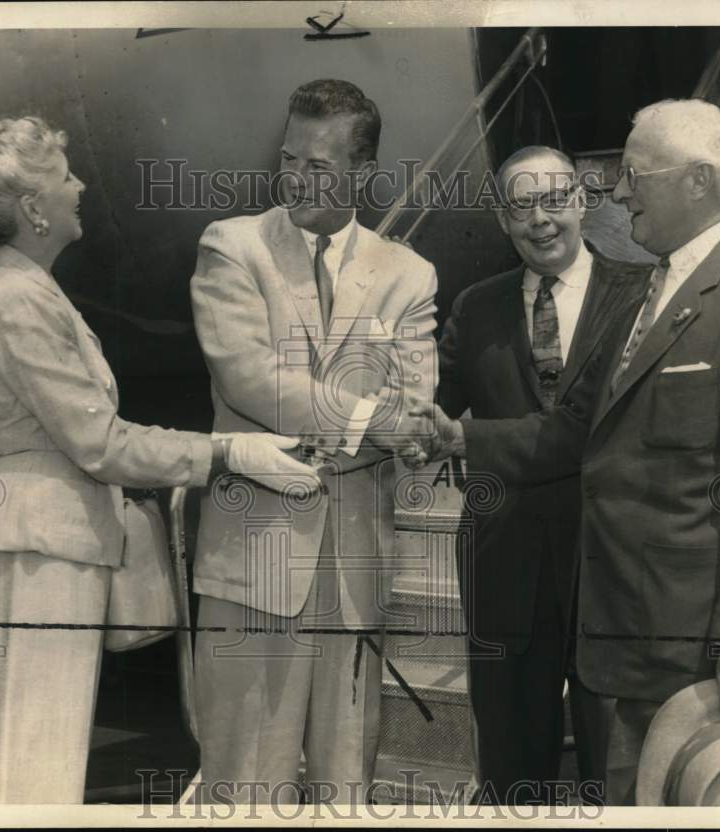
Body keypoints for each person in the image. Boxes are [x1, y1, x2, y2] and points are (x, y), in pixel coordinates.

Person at [413, 99, 720, 805]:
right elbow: (582, 428)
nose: (620, 191)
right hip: (624, 631)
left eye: (636, 174)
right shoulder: (656, 292)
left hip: (684, 635)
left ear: (698, 182)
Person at [0, 113, 321, 804]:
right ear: (32, 210)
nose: (80, 186)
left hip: (47, 547)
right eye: (64, 176)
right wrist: (229, 450)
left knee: (23, 755)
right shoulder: (20, 301)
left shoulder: (26, 288)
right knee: (30, 764)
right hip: (41, 553)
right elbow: (99, 443)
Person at [190, 79, 438, 804]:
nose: (294, 178)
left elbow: (414, 400)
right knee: (243, 787)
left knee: (346, 785)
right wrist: (372, 422)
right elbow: (249, 379)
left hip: (356, 570)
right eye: (288, 158)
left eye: (318, 167)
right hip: (254, 567)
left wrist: (391, 421)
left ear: (363, 172)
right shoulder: (232, 247)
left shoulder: (408, 273)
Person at [437, 145, 652, 804]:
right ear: (503, 219)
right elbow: (428, 399)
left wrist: (463, 438)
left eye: (555, 198)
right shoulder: (476, 306)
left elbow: (588, 429)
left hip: (610, 555)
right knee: (508, 756)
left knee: (614, 761)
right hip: (504, 558)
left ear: (583, 200)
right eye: (522, 205)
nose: (541, 219)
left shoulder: (643, 292)